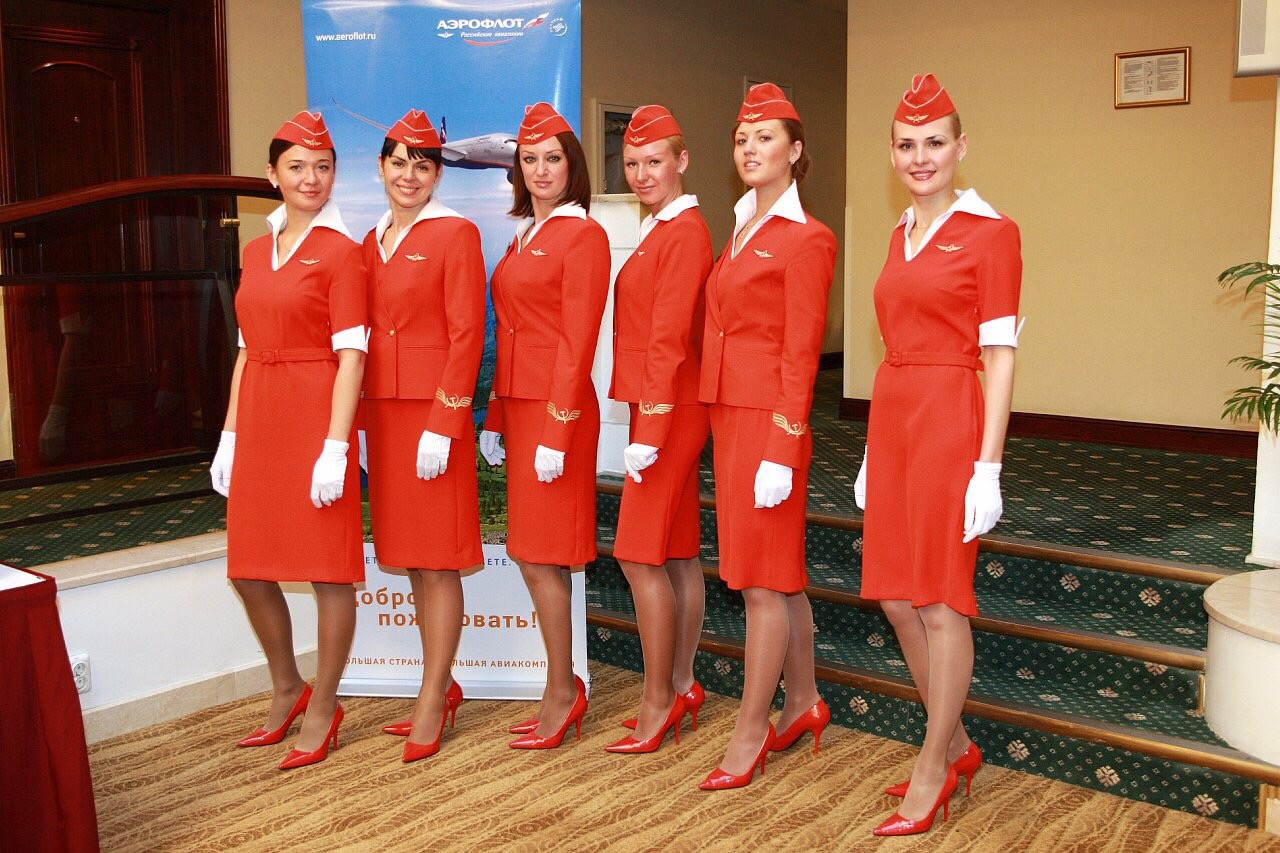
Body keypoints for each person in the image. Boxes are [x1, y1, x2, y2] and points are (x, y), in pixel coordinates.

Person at [858, 73, 1022, 836]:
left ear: (961, 147)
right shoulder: (899, 234)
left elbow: (1001, 355)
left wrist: (988, 467)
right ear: (892, 153)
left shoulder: (993, 232)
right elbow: (892, 343)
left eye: (933, 143)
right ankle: (955, 743)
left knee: (939, 599)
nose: (919, 157)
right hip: (894, 416)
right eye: (906, 145)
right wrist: (871, 449)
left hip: (952, 417)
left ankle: (934, 765)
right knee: (897, 597)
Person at [209, 110, 367, 770]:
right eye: (297, 167)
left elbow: (352, 356)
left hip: (315, 412)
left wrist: (336, 446)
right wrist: (229, 434)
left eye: (323, 167)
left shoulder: (343, 252)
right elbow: (246, 349)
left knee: (328, 571)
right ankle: (286, 685)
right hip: (261, 413)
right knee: (248, 568)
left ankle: (325, 705)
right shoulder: (255, 249)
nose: (311, 178)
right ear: (272, 174)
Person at [697, 84, 837, 790]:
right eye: (741, 139)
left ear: (795, 150)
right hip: (731, 413)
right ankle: (804, 699)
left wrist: (783, 444)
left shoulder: (807, 238)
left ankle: (751, 729)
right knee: (780, 574)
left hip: (768, 422)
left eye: (765, 138)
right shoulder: (743, 224)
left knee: (759, 582)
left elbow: (801, 351)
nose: (750, 149)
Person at [478, 102, 610, 749]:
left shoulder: (583, 235)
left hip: (560, 413)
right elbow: (511, 335)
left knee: (541, 555)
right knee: (532, 553)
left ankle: (563, 689)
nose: (540, 170)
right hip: (522, 408)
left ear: (572, 165)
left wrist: (557, 429)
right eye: (529, 160)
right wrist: (496, 416)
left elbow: (577, 343)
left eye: (552, 158)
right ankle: (559, 684)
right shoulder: (525, 235)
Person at [360, 110, 485, 763]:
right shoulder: (369, 240)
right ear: (380, 167)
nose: (409, 175)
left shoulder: (455, 233)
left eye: (423, 164)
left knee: (437, 560)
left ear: (438, 174)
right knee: (410, 556)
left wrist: (446, 418)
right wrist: (356, 424)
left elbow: (468, 334)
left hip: (433, 418)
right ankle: (440, 680)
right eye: (399, 162)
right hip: (384, 416)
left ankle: (434, 696)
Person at [604, 105, 712, 754]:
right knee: (675, 552)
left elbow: (669, 338)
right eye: (633, 164)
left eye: (655, 162)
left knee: (637, 554)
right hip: (666, 404)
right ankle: (682, 683)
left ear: (681, 161)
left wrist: (651, 426)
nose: (643, 174)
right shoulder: (661, 228)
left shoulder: (684, 233)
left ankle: (658, 702)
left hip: (667, 409)